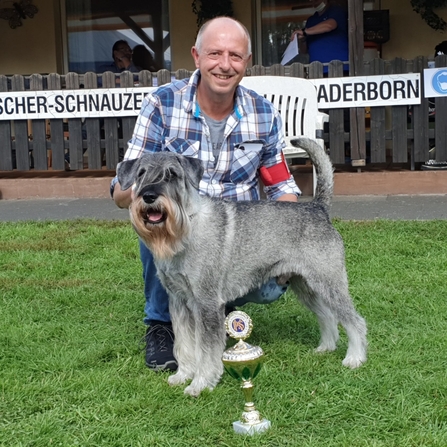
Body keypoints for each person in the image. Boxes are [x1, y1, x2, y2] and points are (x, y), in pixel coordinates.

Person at [110, 17, 301, 372]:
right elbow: (123, 188)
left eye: (235, 55)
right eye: (215, 53)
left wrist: (288, 241)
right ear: (197, 56)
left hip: (235, 235)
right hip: (183, 224)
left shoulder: (262, 112)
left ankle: (215, 306)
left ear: (247, 62)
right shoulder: (162, 105)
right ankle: (161, 325)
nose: (224, 65)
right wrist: (139, 194)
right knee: (158, 220)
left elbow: (280, 185)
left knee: (268, 289)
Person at [291, 0, 348, 74]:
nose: (314, 2)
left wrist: (305, 31)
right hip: (317, 70)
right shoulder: (311, 20)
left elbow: (330, 25)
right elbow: (304, 51)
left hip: (340, 67)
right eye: (311, 1)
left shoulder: (336, 11)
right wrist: (303, 39)